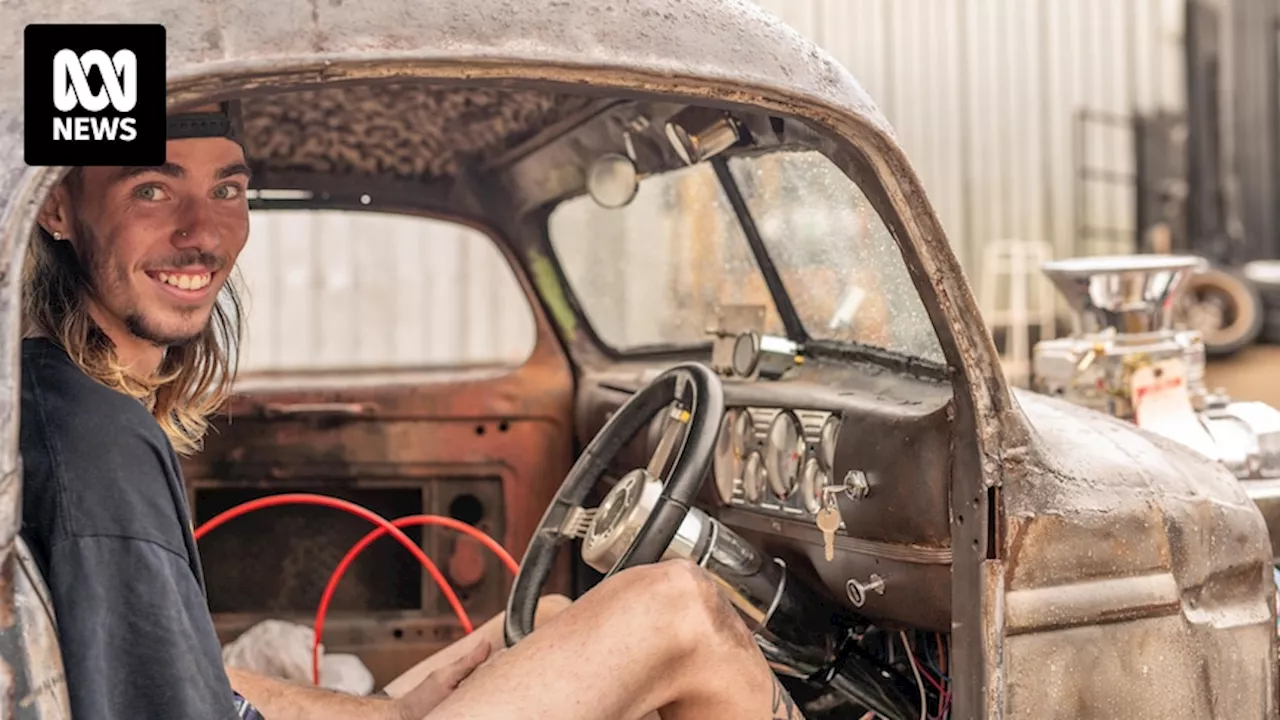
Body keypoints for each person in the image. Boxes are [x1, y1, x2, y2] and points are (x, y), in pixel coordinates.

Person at [21, 101, 805, 720]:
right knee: (680, 611)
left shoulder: (60, 402)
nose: (203, 232)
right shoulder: (99, 445)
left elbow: (184, 680)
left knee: (543, 619)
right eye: (152, 189)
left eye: (226, 188)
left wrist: (391, 712)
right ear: (56, 209)